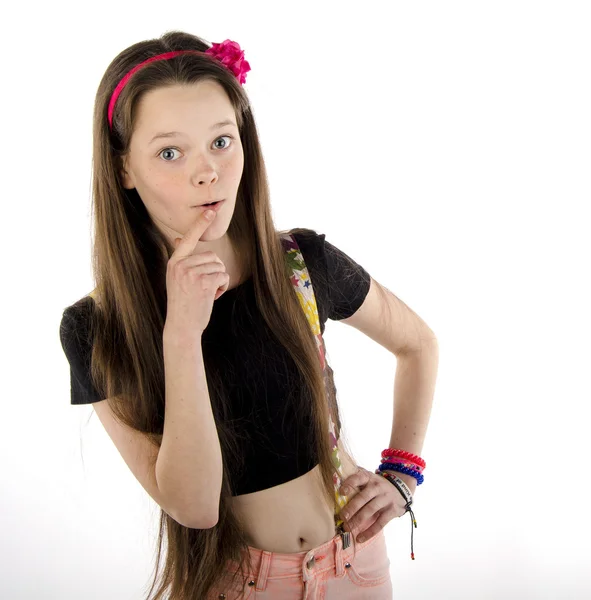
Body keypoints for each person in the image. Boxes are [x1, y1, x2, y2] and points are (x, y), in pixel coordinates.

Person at [59, 30, 437, 600]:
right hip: (238, 585)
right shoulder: (97, 327)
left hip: (357, 567)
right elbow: (194, 506)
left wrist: (402, 474)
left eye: (221, 141)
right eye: (170, 152)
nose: (206, 172)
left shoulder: (300, 265)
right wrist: (181, 333)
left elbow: (418, 345)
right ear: (123, 171)